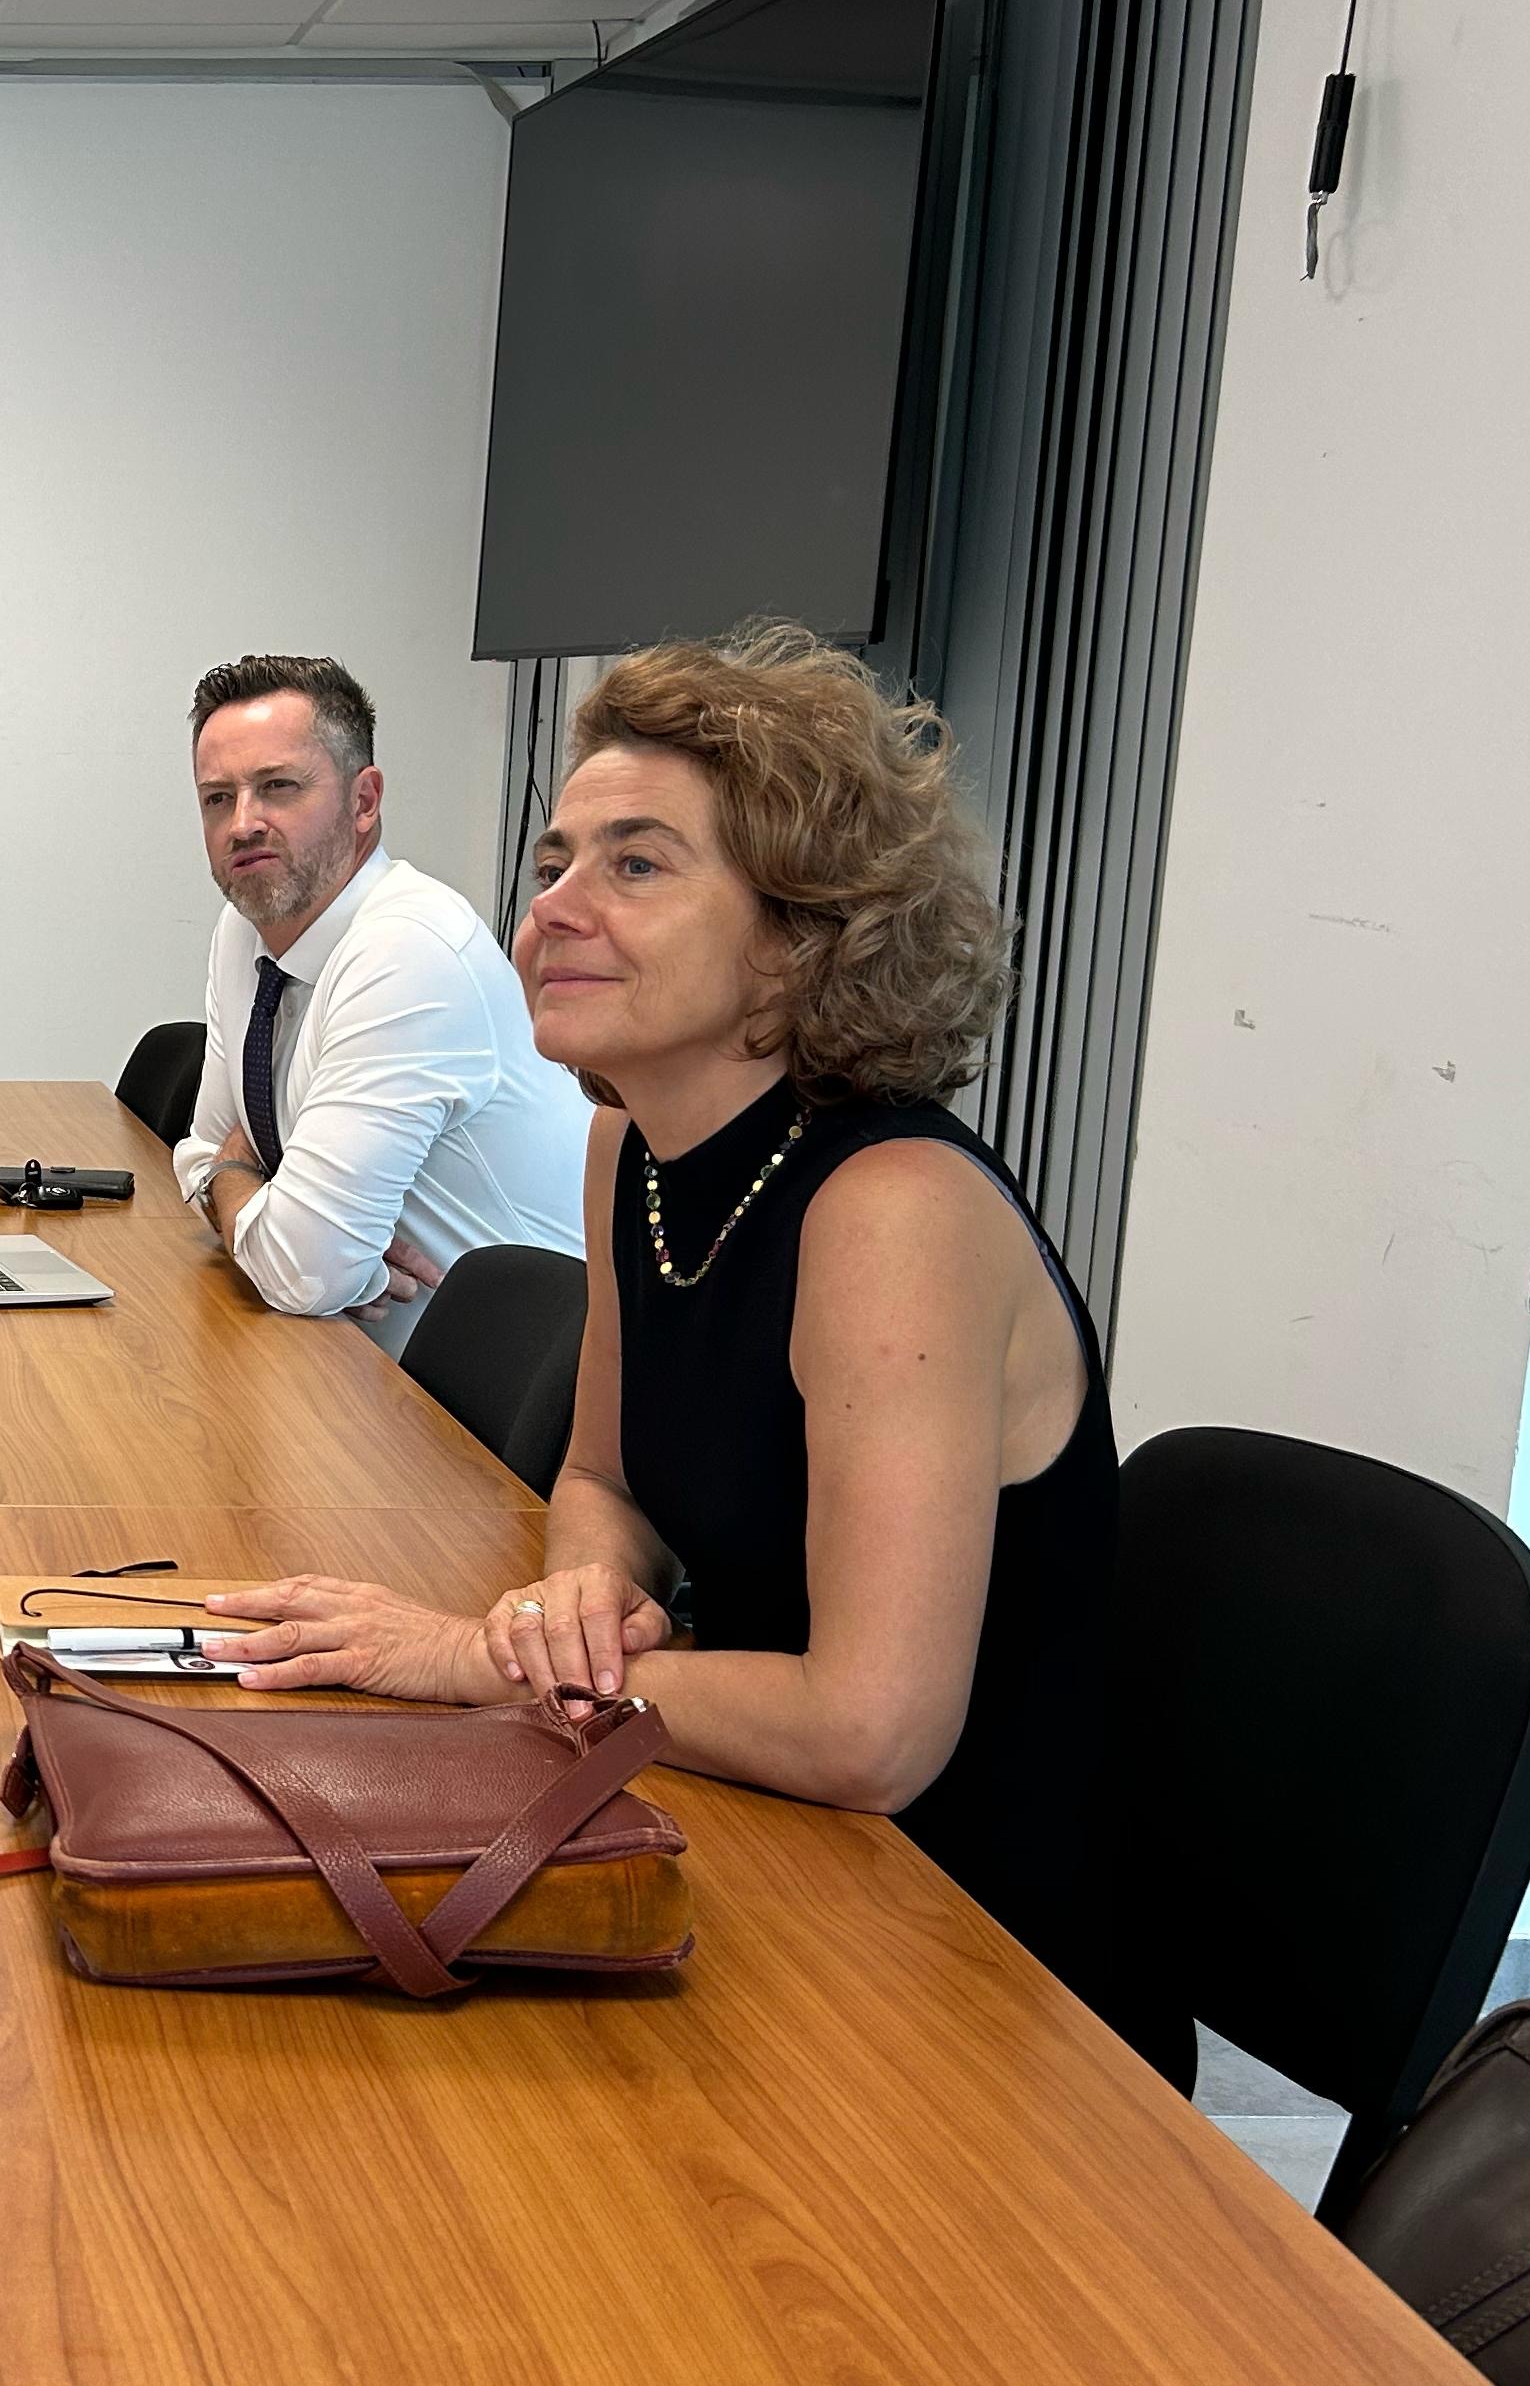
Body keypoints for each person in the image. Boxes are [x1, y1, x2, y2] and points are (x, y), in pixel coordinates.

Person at [200, 626, 1183, 2081]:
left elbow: (870, 1732)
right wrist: (585, 1593)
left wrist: (480, 1660)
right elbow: (605, 1474)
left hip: (977, 1973)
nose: (552, 909)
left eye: (637, 866)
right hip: (758, 1835)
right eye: (554, 864)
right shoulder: (632, 1149)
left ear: (800, 934)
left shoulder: (894, 1211)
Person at [166, 653, 589, 1346]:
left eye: (277, 787)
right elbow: (201, 1152)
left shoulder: (409, 948)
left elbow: (302, 1271)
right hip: (340, 1352)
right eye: (218, 798)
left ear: (364, 801)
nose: (243, 823)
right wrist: (252, 1193)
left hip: (491, 1386)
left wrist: (237, 1179)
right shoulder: (244, 931)